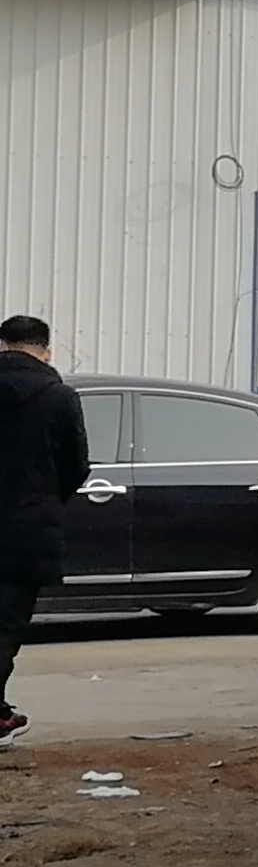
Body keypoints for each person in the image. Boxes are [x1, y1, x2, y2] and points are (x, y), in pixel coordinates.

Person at [0, 314, 90, 743]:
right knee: (6, 626)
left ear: (3, 346)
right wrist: (46, 498)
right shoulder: (59, 397)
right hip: (26, 533)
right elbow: (77, 466)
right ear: (46, 351)